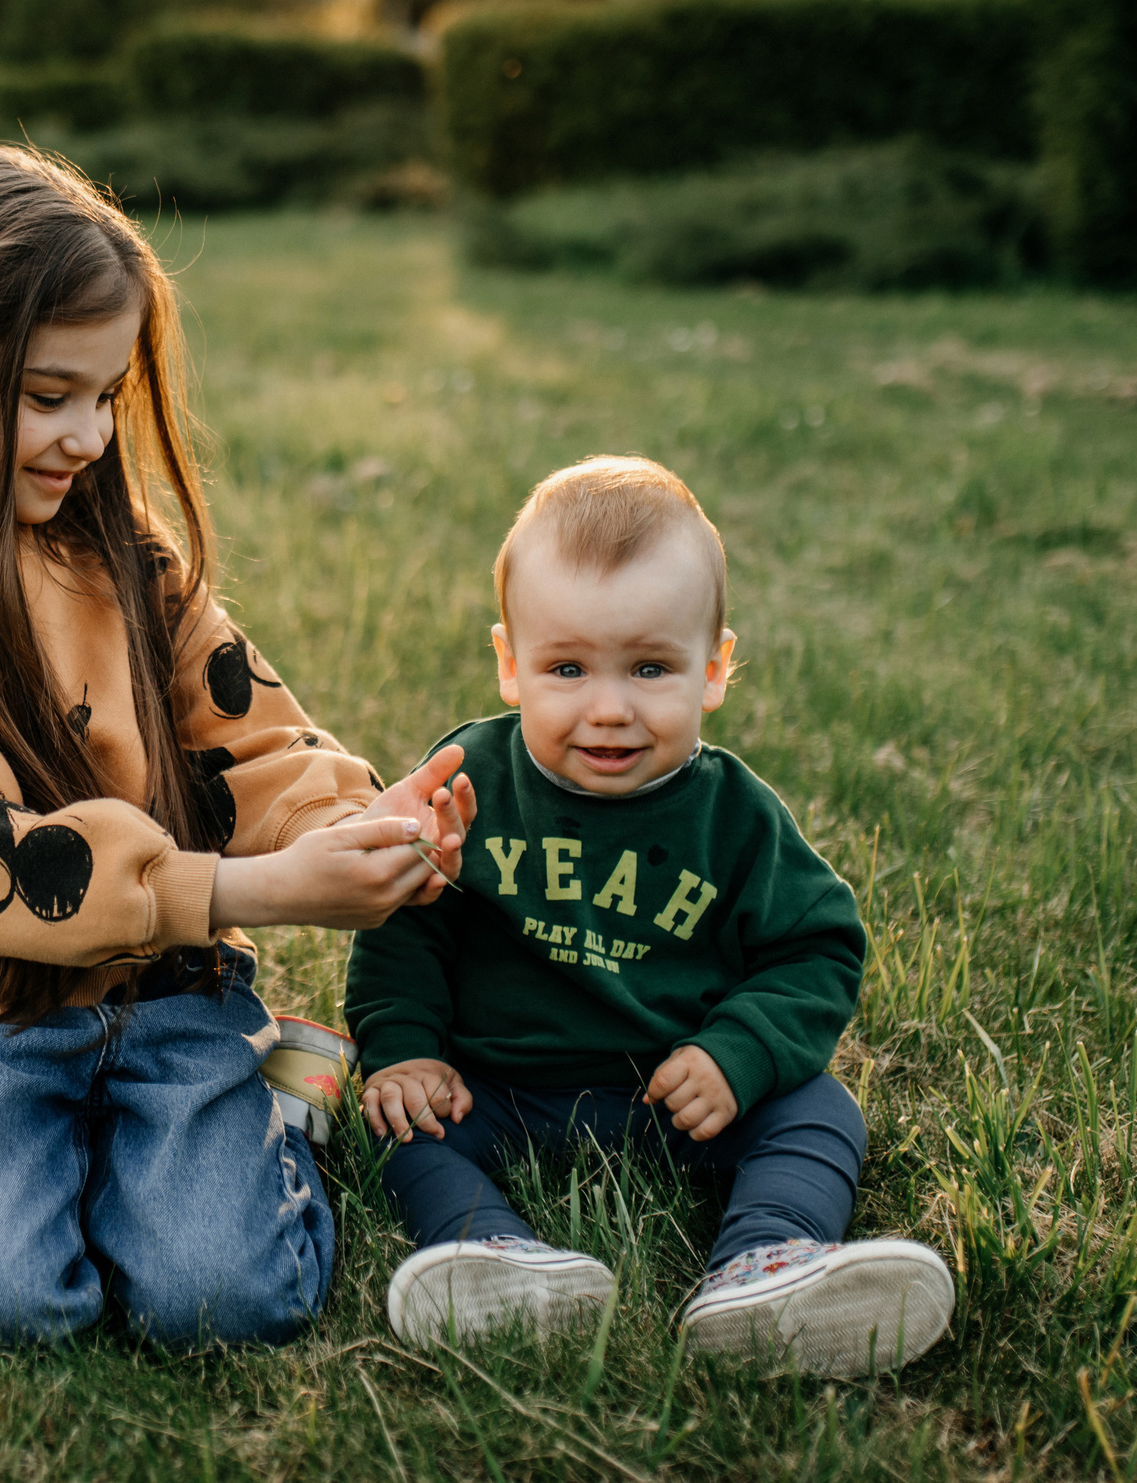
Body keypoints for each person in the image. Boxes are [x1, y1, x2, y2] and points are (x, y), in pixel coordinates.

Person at [0, 145, 475, 1352]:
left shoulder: (127, 558)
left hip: (170, 989)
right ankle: (90, 1164)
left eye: (108, 395)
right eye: (50, 395)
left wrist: (353, 822)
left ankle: (269, 1114)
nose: (90, 433)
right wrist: (248, 888)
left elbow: (250, 735)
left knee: (223, 1300)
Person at [344, 456, 953, 1377]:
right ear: (510, 663)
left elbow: (817, 947)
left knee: (820, 1108)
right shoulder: (470, 777)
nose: (610, 708)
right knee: (397, 1122)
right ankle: (493, 1254)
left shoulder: (736, 817)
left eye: (651, 667)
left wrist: (736, 1053)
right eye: (567, 667)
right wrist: (407, 1048)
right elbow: (406, 918)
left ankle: (766, 1258)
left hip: (678, 1099)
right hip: (494, 1088)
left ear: (714, 671)